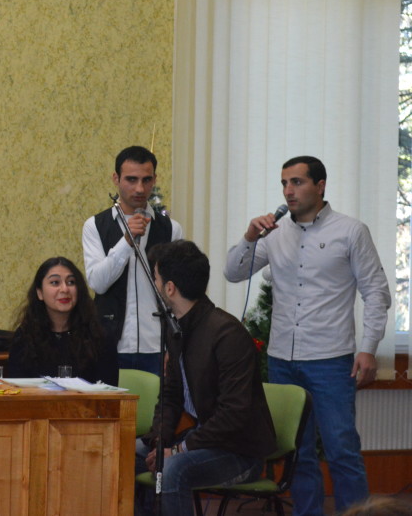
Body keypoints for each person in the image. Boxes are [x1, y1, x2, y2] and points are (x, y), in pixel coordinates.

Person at [224, 156, 392, 515]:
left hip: (331, 360)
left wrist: (368, 348)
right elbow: (233, 273)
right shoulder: (274, 234)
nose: (289, 191)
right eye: (284, 183)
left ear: (320, 185)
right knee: (297, 453)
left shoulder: (351, 231)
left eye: (297, 182)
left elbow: (377, 292)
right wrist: (250, 237)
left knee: (341, 449)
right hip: (282, 359)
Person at [140, 240, 276, 516]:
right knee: (124, 451)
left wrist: (179, 450)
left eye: (155, 278)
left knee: (173, 469)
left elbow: (234, 414)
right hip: (202, 442)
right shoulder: (177, 329)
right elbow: (170, 397)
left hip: (239, 453)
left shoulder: (227, 334)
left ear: (170, 288)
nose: (154, 285)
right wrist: (159, 442)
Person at [82, 146, 183, 375]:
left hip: (157, 346)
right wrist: (126, 241)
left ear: (154, 179)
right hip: (111, 344)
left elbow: (177, 292)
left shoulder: (171, 229)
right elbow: (98, 283)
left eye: (146, 180)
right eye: (131, 179)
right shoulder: (95, 226)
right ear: (116, 179)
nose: (139, 188)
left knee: (158, 400)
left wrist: (172, 346)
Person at [6, 257, 117, 384]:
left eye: (71, 282)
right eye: (55, 282)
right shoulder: (25, 337)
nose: (65, 289)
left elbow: (109, 390)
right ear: (40, 293)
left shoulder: (99, 334)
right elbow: (18, 389)